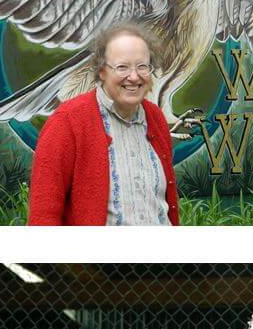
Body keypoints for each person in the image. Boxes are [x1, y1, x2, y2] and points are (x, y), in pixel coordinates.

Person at [27, 22, 178, 226]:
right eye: (122, 67)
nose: (134, 76)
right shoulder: (67, 122)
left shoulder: (156, 118)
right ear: (101, 72)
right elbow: (43, 215)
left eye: (142, 66)